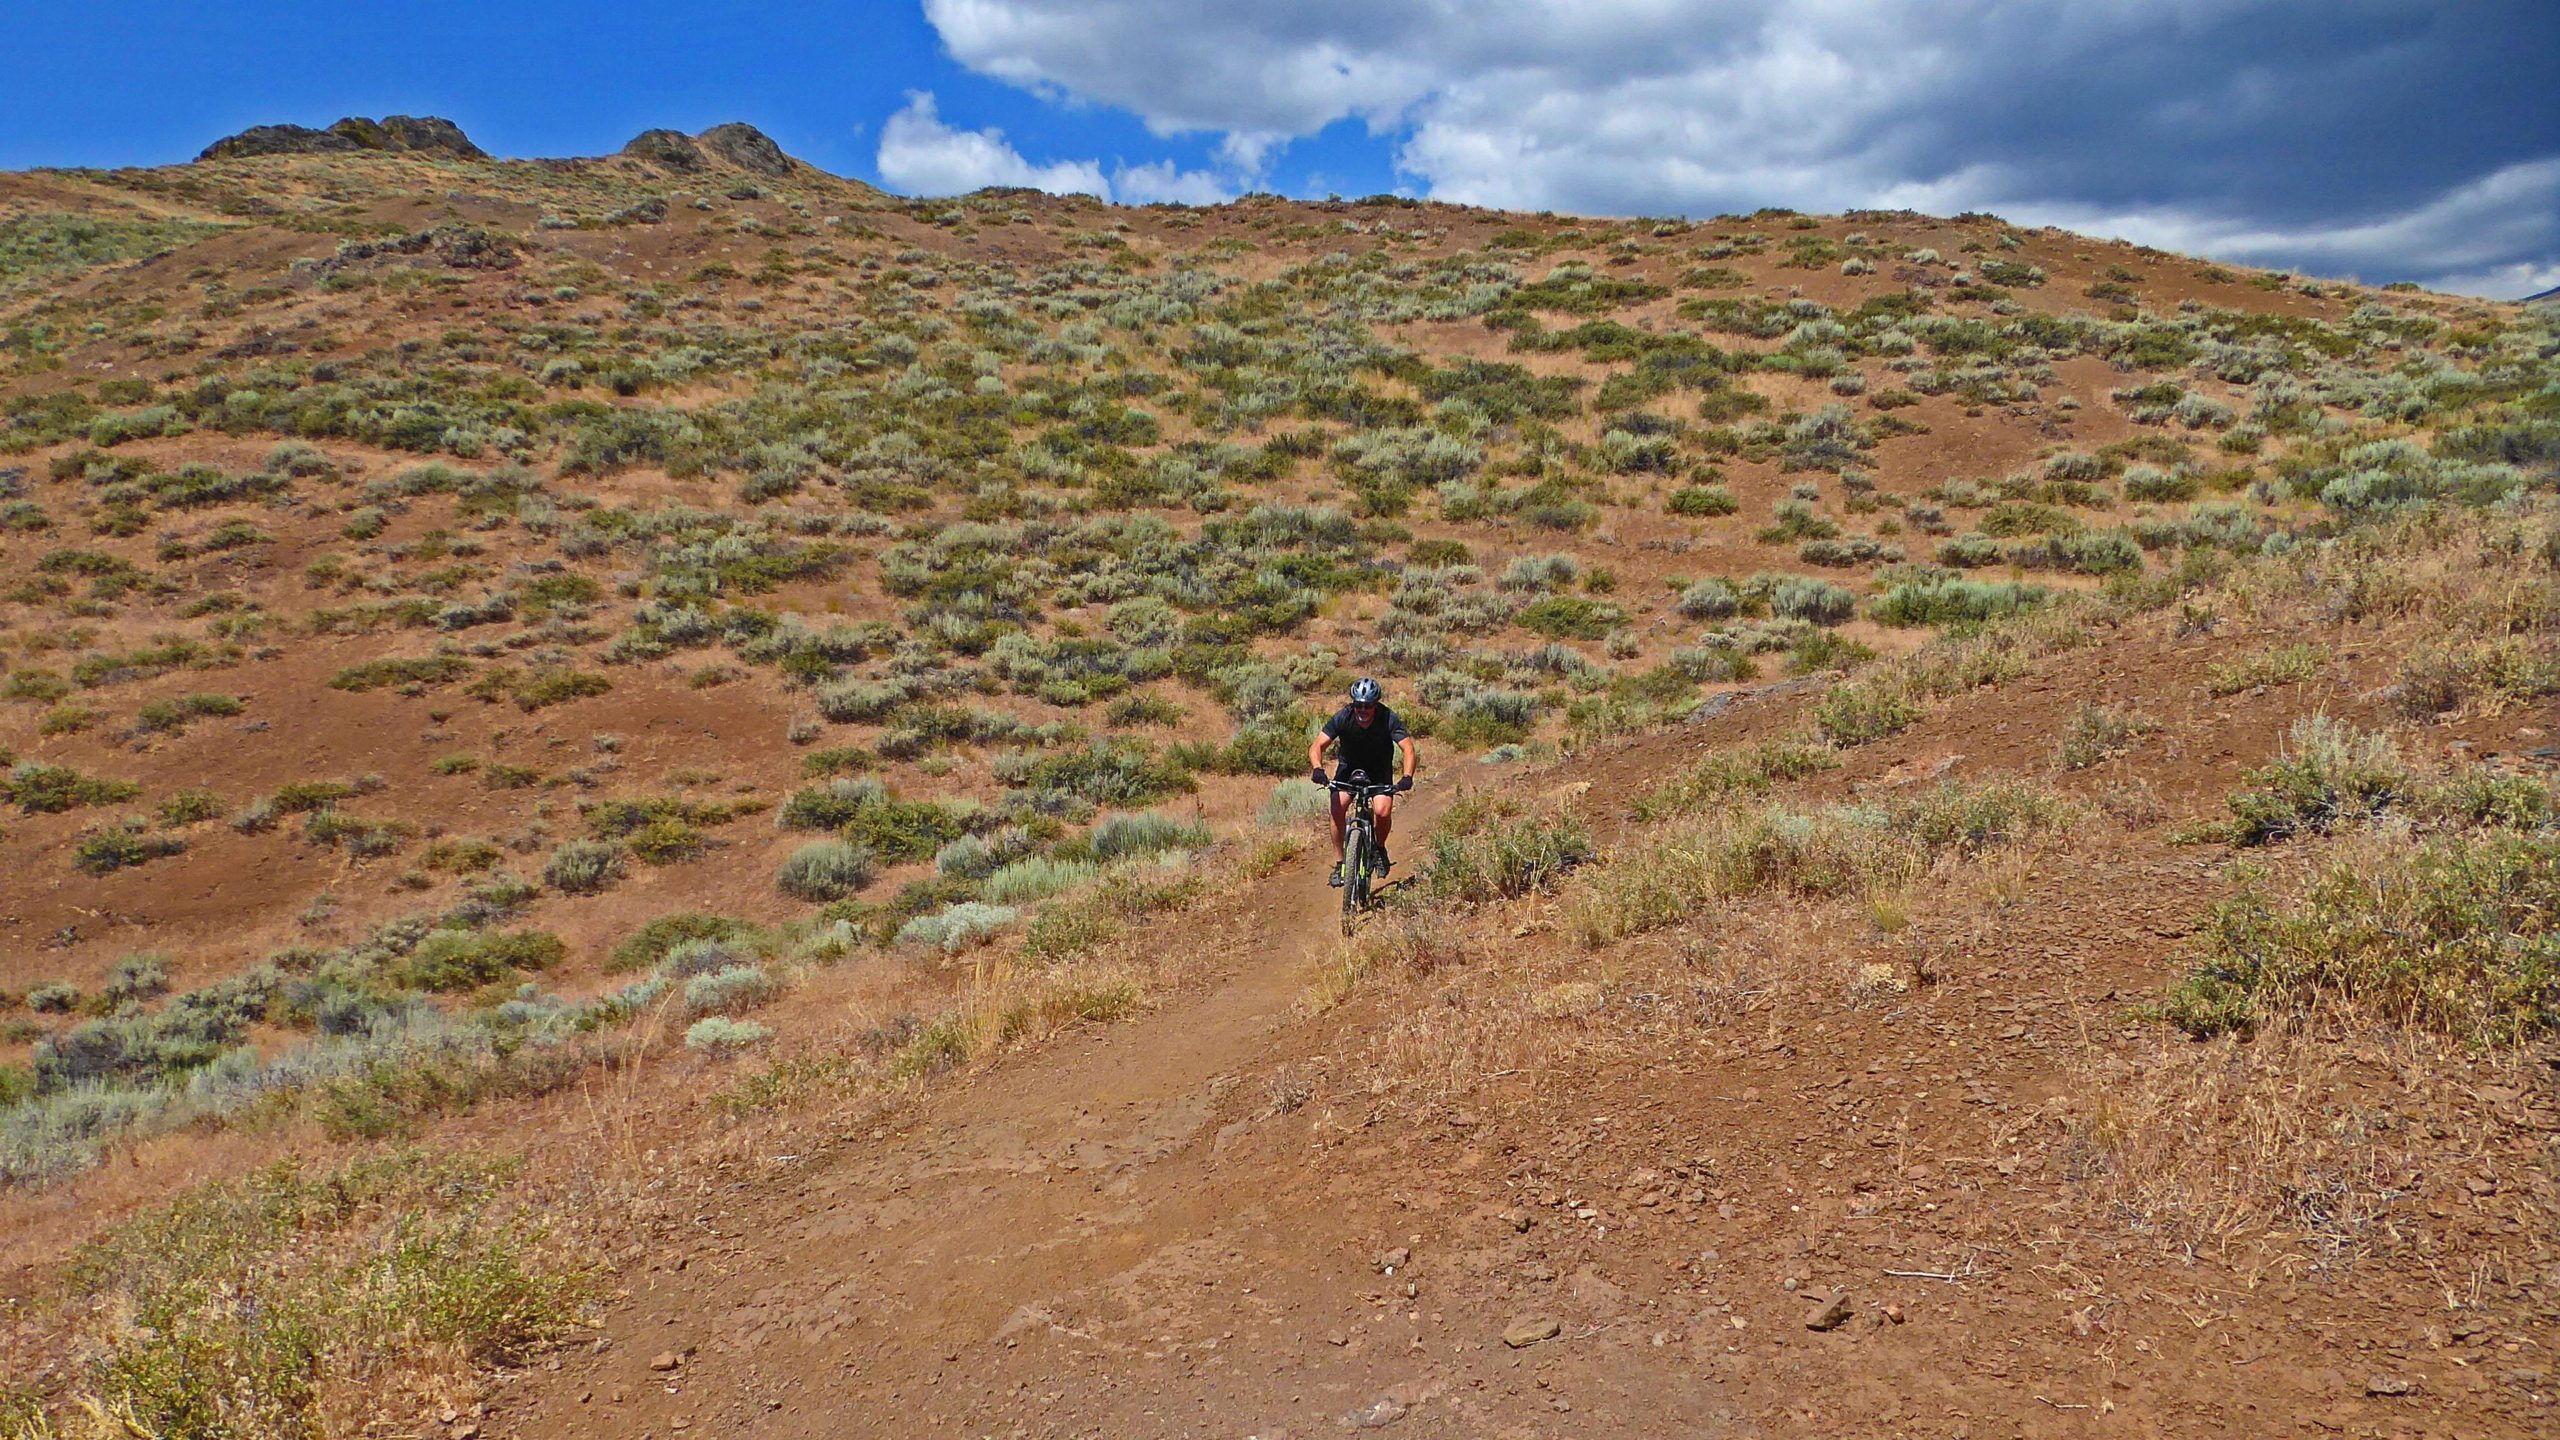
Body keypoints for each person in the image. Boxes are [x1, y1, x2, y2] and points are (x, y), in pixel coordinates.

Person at [1308, 677, 1416, 888]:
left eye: (1368, 706)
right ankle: (1340, 864)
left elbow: (1408, 748)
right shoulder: (1343, 716)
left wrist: (1407, 776)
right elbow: (1317, 745)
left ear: (1375, 705)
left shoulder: (1387, 718)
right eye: (1358, 705)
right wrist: (1317, 769)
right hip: (1349, 770)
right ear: (1353, 704)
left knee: (1382, 811)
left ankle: (1379, 848)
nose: (1362, 710)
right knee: (1337, 809)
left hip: (1379, 770)